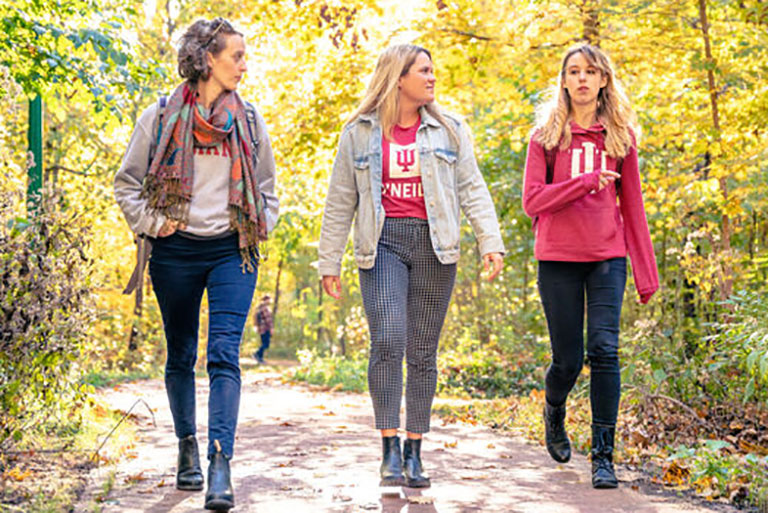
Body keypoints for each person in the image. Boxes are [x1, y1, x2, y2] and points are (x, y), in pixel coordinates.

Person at [318, 44, 505, 488]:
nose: (432, 76)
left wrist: (489, 242)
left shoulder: (450, 130)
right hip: (382, 244)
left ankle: (415, 449)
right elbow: (340, 200)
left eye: (433, 69)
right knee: (388, 337)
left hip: (436, 247)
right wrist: (330, 261)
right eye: (423, 70)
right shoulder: (359, 133)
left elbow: (472, 189)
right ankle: (388, 448)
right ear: (398, 77)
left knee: (422, 350)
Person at [114, 17, 278, 511]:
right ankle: (186, 446)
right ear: (207, 59)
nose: (244, 66)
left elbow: (268, 189)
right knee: (181, 353)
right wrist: (153, 221)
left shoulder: (248, 120)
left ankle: (219, 463)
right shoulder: (161, 115)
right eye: (237, 57)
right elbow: (126, 183)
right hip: (176, 251)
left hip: (232, 249)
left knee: (224, 354)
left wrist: (260, 223)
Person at [522, 44, 658, 489]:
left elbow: (633, 208)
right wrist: (581, 184)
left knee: (604, 350)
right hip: (558, 258)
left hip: (607, 257)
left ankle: (603, 457)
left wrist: (645, 273)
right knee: (568, 359)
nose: (581, 79)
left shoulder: (620, 138)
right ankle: (554, 408)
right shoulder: (545, 137)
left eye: (591, 72)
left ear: (603, 81)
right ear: (563, 81)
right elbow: (532, 202)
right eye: (573, 72)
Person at [253, 294, 273, 364]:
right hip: (265, 328)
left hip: (261, 328)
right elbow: (268, 320)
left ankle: (260, 358)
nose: (270, 301)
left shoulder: (260, 308)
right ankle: (257, 354)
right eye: (268, 299)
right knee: (266, 343)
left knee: (264, 343)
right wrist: (271, 328)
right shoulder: (265, 308)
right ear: (266, 300)